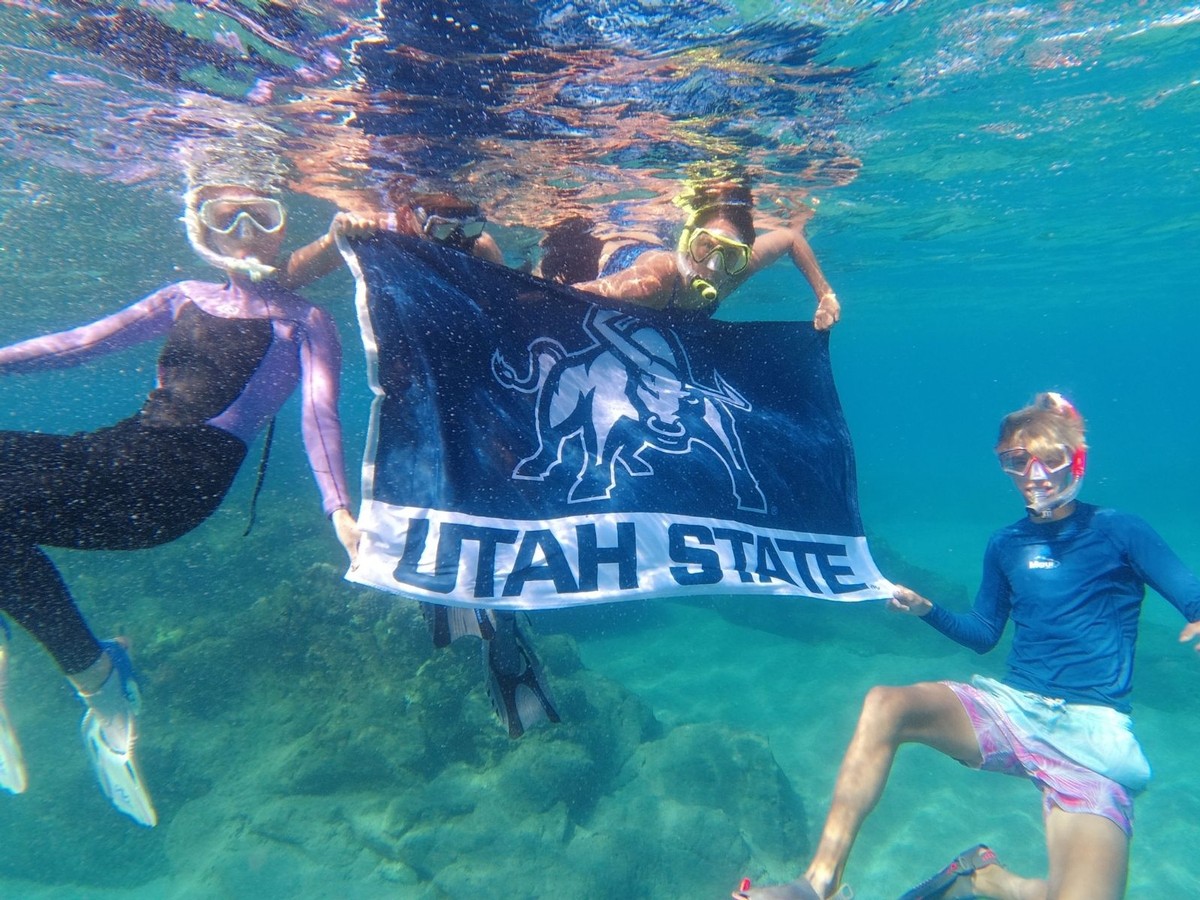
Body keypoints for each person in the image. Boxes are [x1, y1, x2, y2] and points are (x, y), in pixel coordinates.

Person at [734, 392, 1200, 900]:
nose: (1035, 474)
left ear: (1077, 460)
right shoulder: (1006, 544)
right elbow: (983, 635)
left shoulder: (1118, 529)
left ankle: (984, 876)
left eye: (1051, 458)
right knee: (885, 704)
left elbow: (1188, 591)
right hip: (1013, 710)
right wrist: (927, 610)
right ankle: (817, 883)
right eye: (1017, 461)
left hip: (1091, 740)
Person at [0, 182, 360, 827]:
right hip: (116, 453)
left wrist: (339, 510)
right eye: (228, 216)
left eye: (264, 215)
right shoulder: (181, 298)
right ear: (203, 228)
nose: (247, 229)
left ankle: (99, 676)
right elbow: (80, 343)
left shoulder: (305, 321)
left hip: (176, 488)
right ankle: (99, 682)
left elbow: (319, 412)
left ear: (282, 228)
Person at [563, 180, 840, 328]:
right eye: (705, 245)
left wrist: (825, 295)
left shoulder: (736, 272)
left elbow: (791, 238)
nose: (713, 267)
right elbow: (565, 297)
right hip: (604, 250)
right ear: (686, 243)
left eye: (730, 255)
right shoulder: (653, 283)